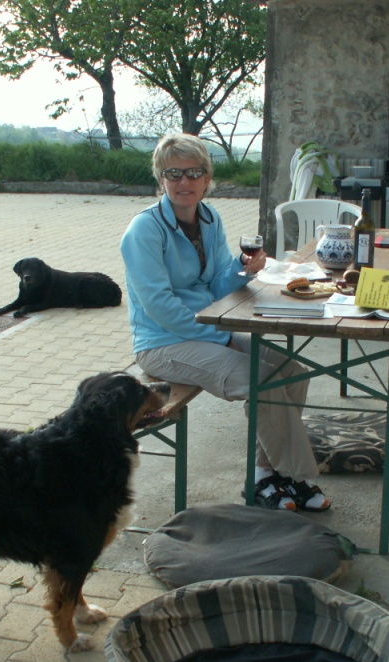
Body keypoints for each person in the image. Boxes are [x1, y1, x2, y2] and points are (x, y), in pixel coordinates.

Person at [119, 133, 330, 511]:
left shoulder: (209, 218)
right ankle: (297, 477)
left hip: (208, 331)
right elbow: (159, 306)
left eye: (193, 172)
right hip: (162, 343)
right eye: (173, 173)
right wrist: (221, 338)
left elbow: (217, 285)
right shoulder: (144, 231)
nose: (184, 181)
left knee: (291, 371)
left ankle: (264, 474)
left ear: (206, 178)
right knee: (261, 380)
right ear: (161, 179)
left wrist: (244, 268)